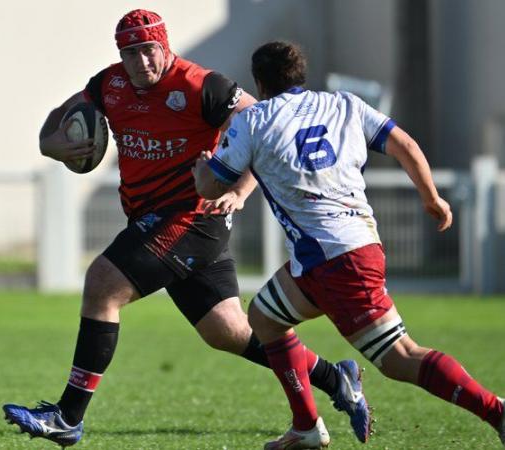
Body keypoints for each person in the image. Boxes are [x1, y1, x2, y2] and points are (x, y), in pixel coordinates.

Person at [2, 13, 370, 448]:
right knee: (226, 331)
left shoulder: (201, 85)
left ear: (165, 46)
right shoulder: (109, 85)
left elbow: (266, 126)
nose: (140, 61)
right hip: (152, 219)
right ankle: (335, 376)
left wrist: (243, 189)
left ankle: (68, 416)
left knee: (102, 284)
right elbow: (55, 119)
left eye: (148, 49)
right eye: (130, 52)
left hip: (193, 218)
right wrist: (52, 144)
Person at [194, 40, 505, 449]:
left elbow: (211, 184)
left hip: (336, 263)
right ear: (301, 74)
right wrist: (432, 198)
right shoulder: (344, 103)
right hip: (348, 250)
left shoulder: (254, 120)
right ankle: (305, 425)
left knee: (401, 358)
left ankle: (496, 412)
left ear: (259, 81)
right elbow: (406, 145)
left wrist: (202, 169)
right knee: (265, 318)